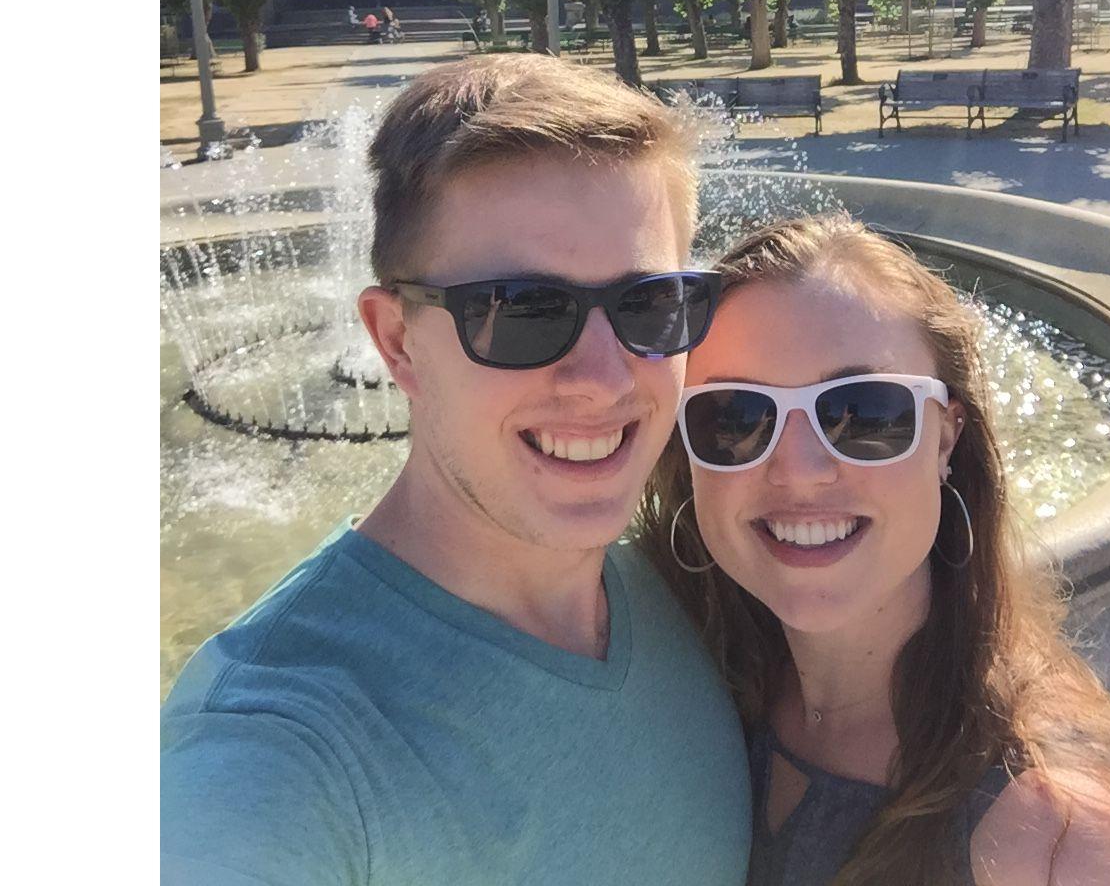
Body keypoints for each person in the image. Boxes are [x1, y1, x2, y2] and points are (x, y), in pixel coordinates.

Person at [161, 56, 752, 885]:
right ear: (397, 341)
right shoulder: (278, 754)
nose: (603, 379)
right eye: (520, 312)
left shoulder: (683, 583)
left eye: (650, 304)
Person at [636, 215, 1110, 886]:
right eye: (736, 417)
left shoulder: (1060, 838)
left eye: (863, 413)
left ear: (946, 438)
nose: (798, 470)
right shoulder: (686, 673)